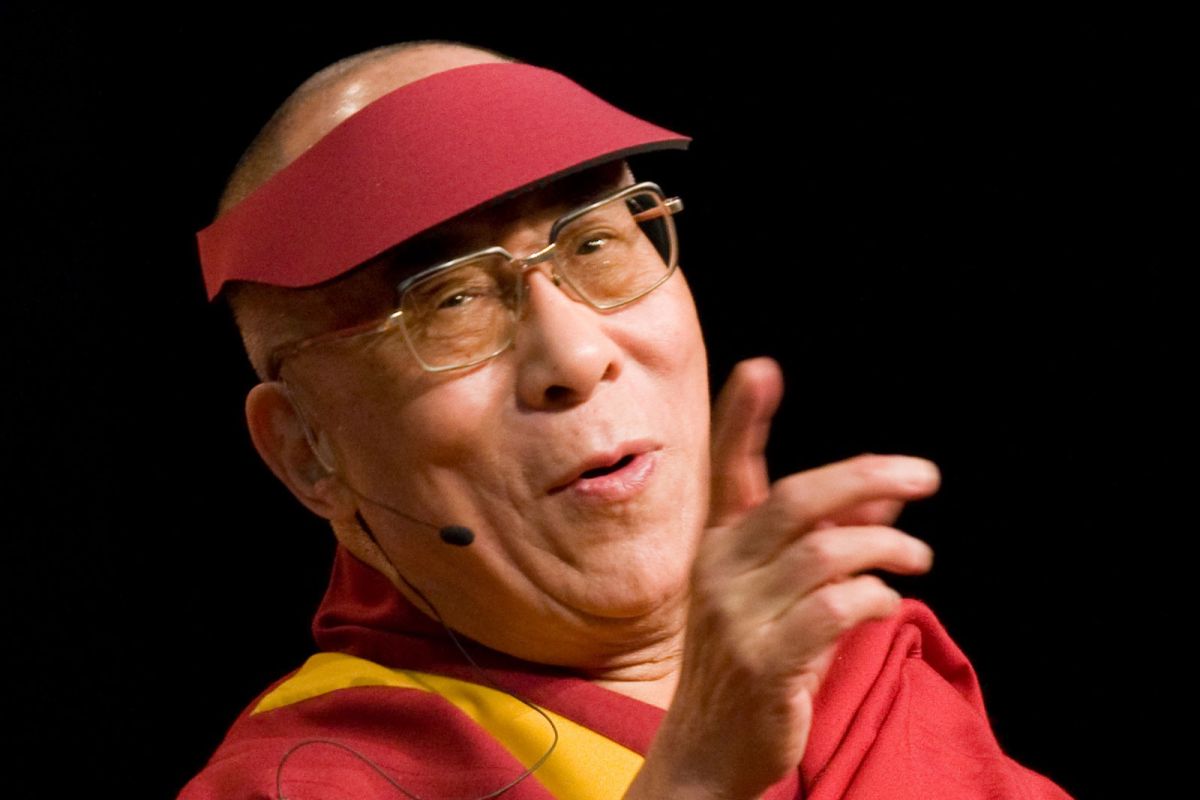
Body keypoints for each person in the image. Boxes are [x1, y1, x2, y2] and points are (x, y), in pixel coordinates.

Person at [180, 41, 1073, 800]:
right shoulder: (303, 780)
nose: (575, 356)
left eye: (595, 243)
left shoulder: (857, 669)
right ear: (307, 451)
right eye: (449, 300)